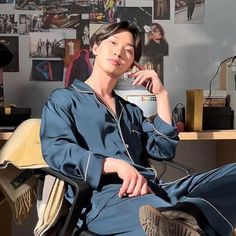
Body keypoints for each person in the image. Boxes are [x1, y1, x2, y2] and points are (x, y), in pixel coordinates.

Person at [40, 21, 236, 236]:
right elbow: (55, 149)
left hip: (155, 190)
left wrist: (161, 95)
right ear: (95, 47)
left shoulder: (131, 111)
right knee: (168, 218)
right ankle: (183, 218)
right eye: (113, 42)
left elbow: (163, 149)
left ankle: (183, 216)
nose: (119, 52)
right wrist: (112, 164)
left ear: (132, 63)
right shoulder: (65, 99)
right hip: (108, 198)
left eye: (128, 50)